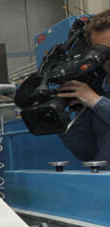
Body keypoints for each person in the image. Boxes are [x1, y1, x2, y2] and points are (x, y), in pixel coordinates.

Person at [58, 9, 110, 166]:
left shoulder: (93, 96)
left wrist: (95, 101)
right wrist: (59, 122)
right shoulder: (98, 89)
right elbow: (86, 152)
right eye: (102, 51)